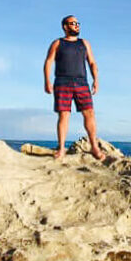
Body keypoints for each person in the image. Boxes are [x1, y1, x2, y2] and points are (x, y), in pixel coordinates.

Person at [43, 15, 105, 160]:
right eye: (73, 23)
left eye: (78, 23)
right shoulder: (58, 43)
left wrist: (96, 80)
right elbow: (48, 61)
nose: (77, 25)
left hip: (82, 82)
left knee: (89, 113)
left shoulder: (84, 43)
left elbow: (92, 63)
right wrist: (47, 81)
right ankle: (61, 148)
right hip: (62, 82)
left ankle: (94, 147)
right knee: (64, 115)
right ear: (65, 26)